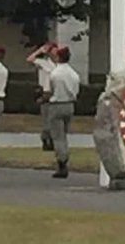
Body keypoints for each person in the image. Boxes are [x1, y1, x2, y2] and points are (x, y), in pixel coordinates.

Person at [46, 45, 80, 179]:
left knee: (58, 136)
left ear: (58, 57)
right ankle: (64, 156)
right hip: (70, 105)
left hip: (57, 104)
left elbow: (51, 90)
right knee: (64, 134)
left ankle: (62, 162)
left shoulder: (55, 74)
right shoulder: (74, 74)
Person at [27, 42, 57, 152]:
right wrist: (40, 51)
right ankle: (46, 141)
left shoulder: (59, 65)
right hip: (46, 92)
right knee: (47, 120)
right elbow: (30, 59)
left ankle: (52, 140)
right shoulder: (44, 63)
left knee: (53, 120)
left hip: (55, 94)